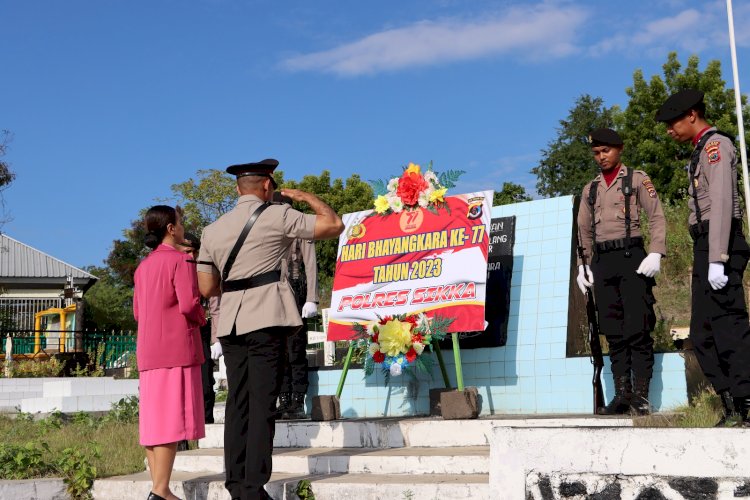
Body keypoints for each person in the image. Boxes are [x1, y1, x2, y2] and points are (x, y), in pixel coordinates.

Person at [197, 159, 344, 500]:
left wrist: (237, 290)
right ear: (268, 186)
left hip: (231, 321)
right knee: (263, 402)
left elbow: (206, 287)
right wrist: (308, 196)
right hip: (265, 318)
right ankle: (253, 487)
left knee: (238, 402)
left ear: (237, 188)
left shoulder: (212, 229)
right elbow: (333, 225)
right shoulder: (278, 214)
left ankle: (235, 483)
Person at [656, 89, 750, 426]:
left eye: (673, 123)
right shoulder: (698, 152)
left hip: (719, 242)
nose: (669, 130)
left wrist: (718, 256)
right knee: (702, 333)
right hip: (705, 244)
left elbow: (723, 201)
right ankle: (730, 402)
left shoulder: (715, 146)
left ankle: (745, 402)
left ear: (692, 115)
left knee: (728, 327)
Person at [576, 128, 667, 415]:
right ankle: (621, 396)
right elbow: (583, 232)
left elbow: (656, 216)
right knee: (614, 331)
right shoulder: (590, 189)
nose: (601, 157)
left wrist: (656, 251)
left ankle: (641, 397)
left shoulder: (637, 179)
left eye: (606, 151)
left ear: (619, 149)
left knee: (638, 328)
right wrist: (583, 267)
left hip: (633, 258)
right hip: (604, 263)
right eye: (596, 153)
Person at [133, 205, 206, 500]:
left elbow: (138, 312)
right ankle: (161, 490)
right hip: (176, 349)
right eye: (181, 222)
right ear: (171, 229)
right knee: (171, 421)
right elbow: (189, 304)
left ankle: (158, 487)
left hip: (148, 351)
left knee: (154, 422)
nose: (184, 227)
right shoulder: (182, 260)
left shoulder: (143, 267)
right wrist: (203, 318)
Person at [272, 192, 319, 420]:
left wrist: (312, 297)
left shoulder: (300, 223)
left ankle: (298, 400)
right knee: (278, 350)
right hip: (274, 292)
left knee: (296, 348)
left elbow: (310, 264)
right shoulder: (270, 227)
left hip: (296, 288)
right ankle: (284, 399)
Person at [179, 233, 223, 424]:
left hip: (202, 331)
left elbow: (215, 306)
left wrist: (216, 339)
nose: (187, 256)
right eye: (183, 252)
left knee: (206, 380)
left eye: (189, 251)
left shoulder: (204, 272)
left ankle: (206, 419)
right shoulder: (176, 270)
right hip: (180, 333)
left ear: (197, 252)